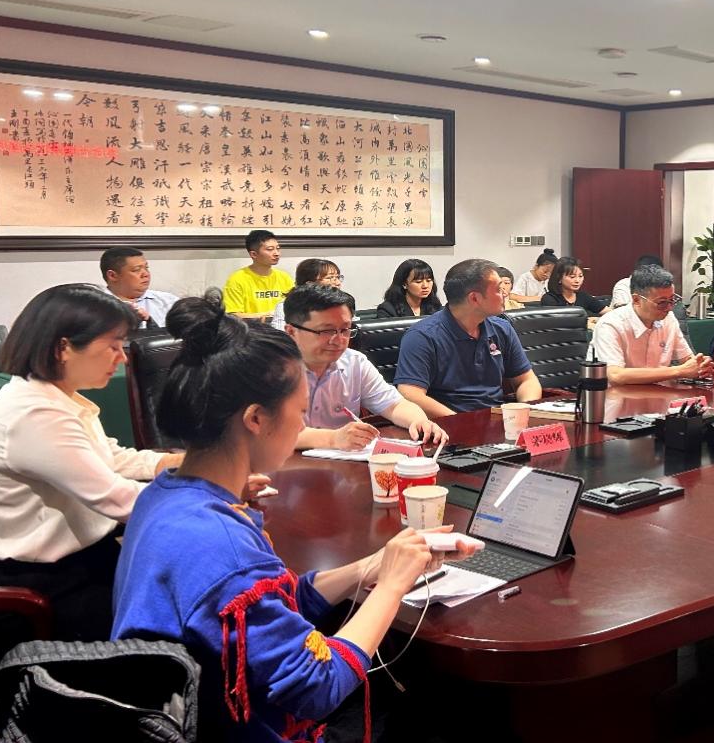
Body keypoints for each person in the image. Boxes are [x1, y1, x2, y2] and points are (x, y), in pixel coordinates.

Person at [111, 295, 479, 742]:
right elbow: (317, 687)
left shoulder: (165, 495)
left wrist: (371, 566)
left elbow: (277, 603)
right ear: (255, 419)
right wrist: (392, 587)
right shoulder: (220, 543)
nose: (303, 424)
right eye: (300, 412)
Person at [0, 284, 185, 668]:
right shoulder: (35, 414)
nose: (122, 358)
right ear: (63, 348)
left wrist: (181, 464)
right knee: (172, 627)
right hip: (28, 595)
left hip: (72, 565)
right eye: (113, 346)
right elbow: (116, 498)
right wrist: (208, 491)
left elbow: (111, 458)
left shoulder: (53, 397)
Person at [283, 283, 446, 450]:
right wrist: (333, 439)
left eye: (345, 329)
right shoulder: (271, 369)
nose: (339, 340)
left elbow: (394, 405)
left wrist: (419, 421)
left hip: (344, 460)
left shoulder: (354, 362)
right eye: (327, 331)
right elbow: (271, 433)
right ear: (291, 332)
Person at [394, 258, 542, 418]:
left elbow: (526, 380)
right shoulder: (422, 336)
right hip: (448, 423)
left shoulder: (502, 328)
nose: (505, 294)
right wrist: (461, 421)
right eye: (498, 289)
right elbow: (410, 394)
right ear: (474, 298)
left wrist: (524, 409)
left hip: (498, 419)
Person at [592, 265, 712, 384]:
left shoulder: (668, 319)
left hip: (659, 391)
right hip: (618, 394)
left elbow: (687, 359)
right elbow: (615, 375)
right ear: (636, 300)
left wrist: (699, 365)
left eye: (672, 300)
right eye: (662, 303)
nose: (669, 308)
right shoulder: (610, 324)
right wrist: (679, 371)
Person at [222, 229, 294, 320]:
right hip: (251, 328)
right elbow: (232, 315)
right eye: (270, 249)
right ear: (254, 254)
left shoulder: (284, 277)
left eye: (278, 248)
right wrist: (265, 316)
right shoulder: (237, 279)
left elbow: (295, 308)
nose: (276, 253)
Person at [100, 245, 179, 327]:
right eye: (136, 270)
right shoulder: (96, 307)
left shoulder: (168, 301)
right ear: (112, 275)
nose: (146, 274)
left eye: (146, 268)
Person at [270, 258, 344, 330]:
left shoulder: (343, 304)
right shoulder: (286, 306)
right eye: (330, 277)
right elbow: (280, 334)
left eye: (337, 277)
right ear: (310, 284)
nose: (338, 283)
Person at [539, 256, 611, 325]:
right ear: (559, 278)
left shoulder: (583, 296)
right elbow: (556, 323)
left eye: (580, 276)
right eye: (572, 277)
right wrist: (586, 321)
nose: (577, 280)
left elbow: (610, 312)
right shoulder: (549, 299)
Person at [377, 258, 442, 317]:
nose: (425, 286)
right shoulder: (388, 310)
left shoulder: (435, 305)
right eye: (418, 282)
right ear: (404, 284)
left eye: (429, 280)